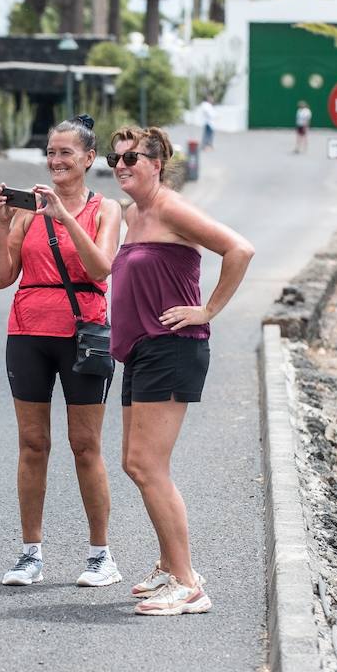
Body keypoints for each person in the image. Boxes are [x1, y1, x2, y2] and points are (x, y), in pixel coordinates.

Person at [106, 125, 254, 616]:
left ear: (156, 163)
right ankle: (171, 565)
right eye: (116, 159)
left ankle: (189, 584)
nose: (122, 166)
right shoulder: (134, 213)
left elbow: (239, 249)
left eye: (132, 159)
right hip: (142, 350)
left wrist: (207, 309)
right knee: (135, 463)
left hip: (172, 348)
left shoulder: (170, 207)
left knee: (149, 466)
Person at [0, 114, 124, 588]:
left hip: (83, 333)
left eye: (66, 153)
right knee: (32, 445)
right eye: (51, 152)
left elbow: (100, 268)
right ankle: (30, 554)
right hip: (27, 331)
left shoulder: (105, 210)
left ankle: (100, 555)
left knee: (85, 446)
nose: (56, 161)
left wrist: (64, 216)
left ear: (89, 159)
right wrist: (3, 222)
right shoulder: (28, 211)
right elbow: (2, 277)